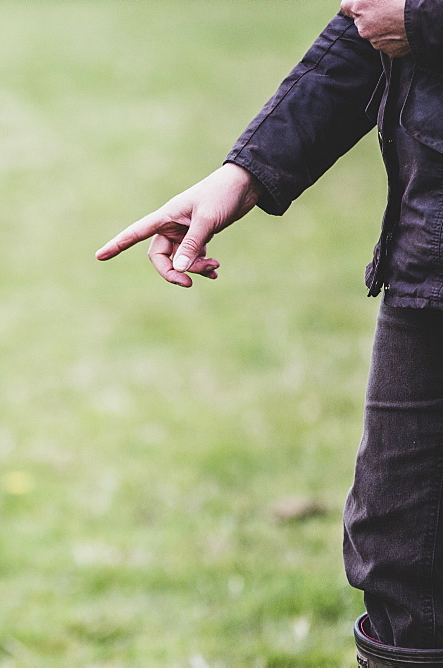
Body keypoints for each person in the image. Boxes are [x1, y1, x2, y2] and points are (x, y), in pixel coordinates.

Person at [96, 0, 443, 660]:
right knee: (403, 558)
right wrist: (247, 171)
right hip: (430, 251)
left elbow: (402, 20)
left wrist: (426, 24)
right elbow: (370, 23)